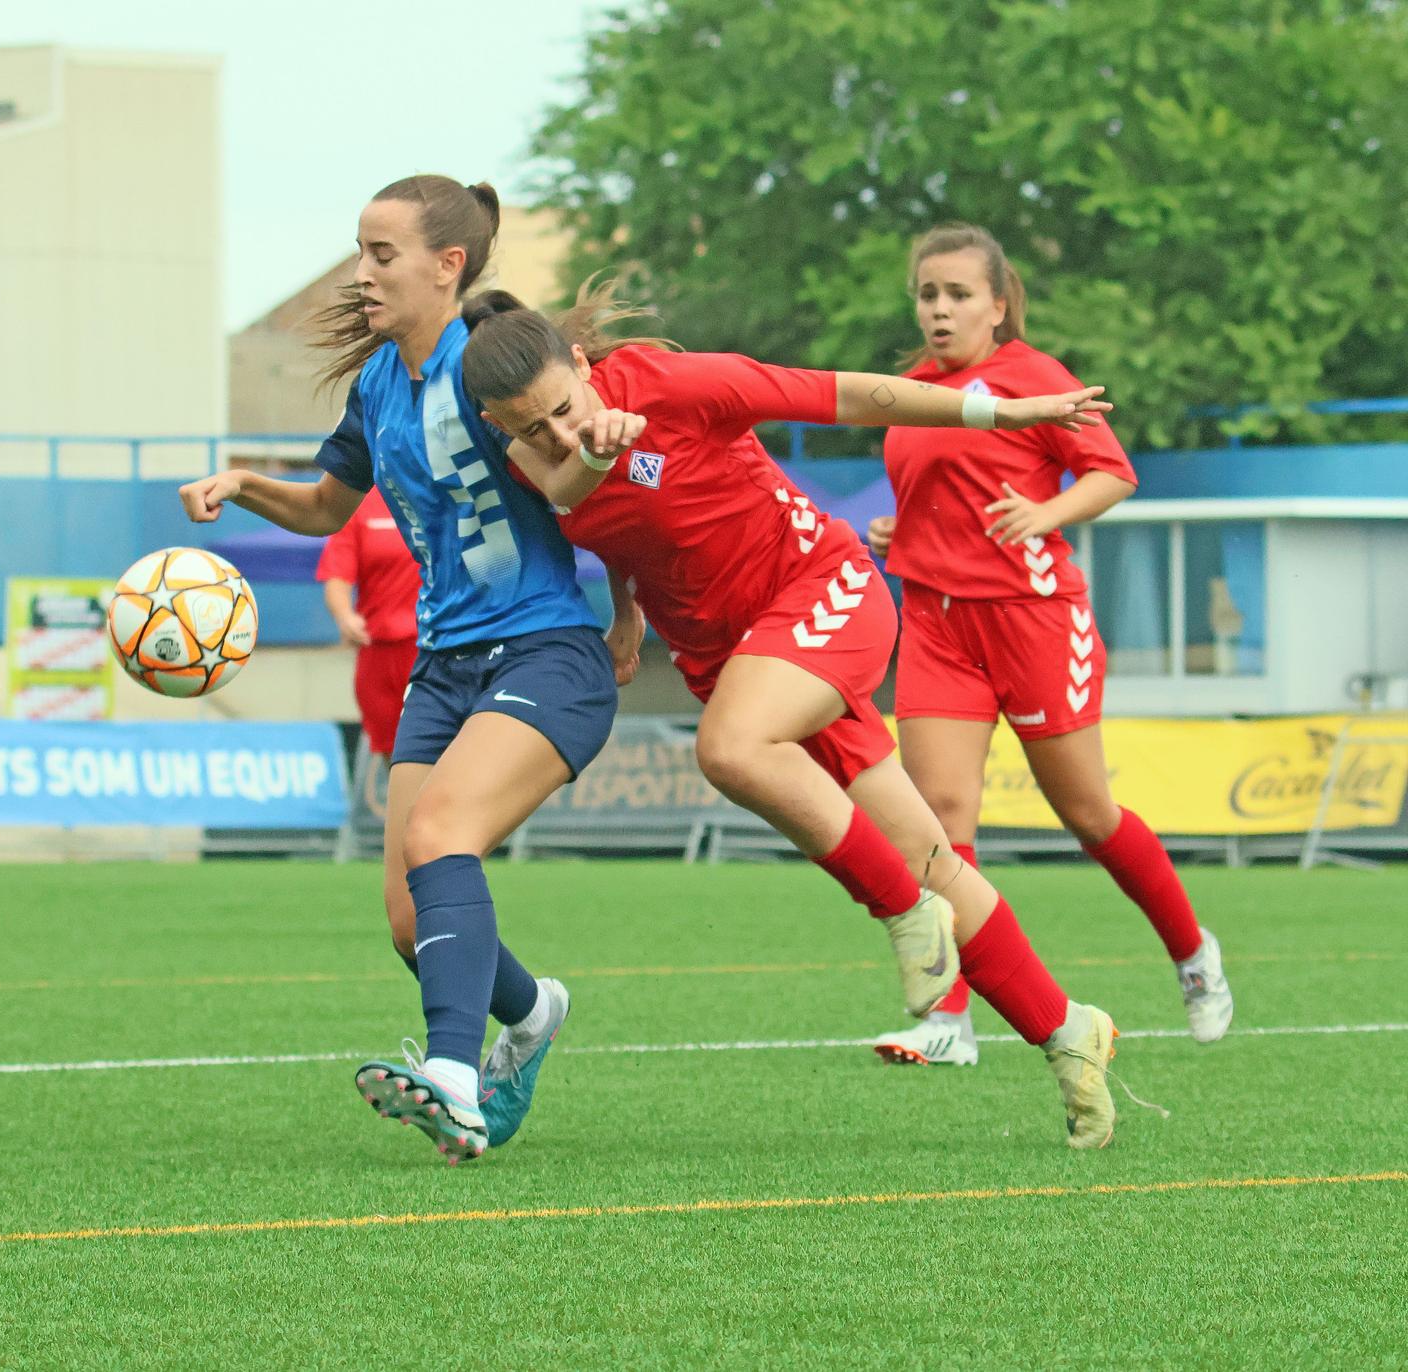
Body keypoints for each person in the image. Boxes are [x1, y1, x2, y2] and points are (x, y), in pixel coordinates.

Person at [461, 286, 1133, 1147]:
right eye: (527, 428)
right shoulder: (531, 464)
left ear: (586, 366)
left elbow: (848, 395)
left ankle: (899, 913)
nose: (553, 435)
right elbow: (609, 515)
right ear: (495, 425)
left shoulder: (677, 385)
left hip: (823, 591)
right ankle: (1070, 1032)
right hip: (741, 659)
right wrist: (625, 609)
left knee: (734, 750)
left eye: (563, 409)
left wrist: (999, 413)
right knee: (931, 857)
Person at [179, 174, 634, 1165]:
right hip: (442, 669)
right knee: (404, 919)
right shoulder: (380, 382)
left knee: (439, 837)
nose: (360, 273)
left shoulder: (494, 362)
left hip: (544, 653)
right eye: (359, 250)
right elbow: (323, 507)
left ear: (447, 266)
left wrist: (596, 449)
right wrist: (245, 484)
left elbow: (565, 480)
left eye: (380, 254)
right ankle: (531, 1013)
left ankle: (456, 1081)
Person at [865, 224, 1232, 1067]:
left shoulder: (1034, 379)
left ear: (998, 305)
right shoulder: (910, 389)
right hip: (936, 620)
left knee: (1088, 815)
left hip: (1032, 619)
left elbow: (1112, 472)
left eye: (959, 295)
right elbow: (937, 493)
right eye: (928, 295)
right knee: (938, 818)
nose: (941, 310)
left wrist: (1046, 513)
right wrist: (900, 532)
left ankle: (1192, 955)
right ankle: (948, 1020)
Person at [316, 485, 420, 761]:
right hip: (377, 654)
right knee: (395, 757)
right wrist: (344, 616)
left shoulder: (436, 490)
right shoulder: (360, 504)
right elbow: (337, 575)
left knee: (438, 751)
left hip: (434, 651)